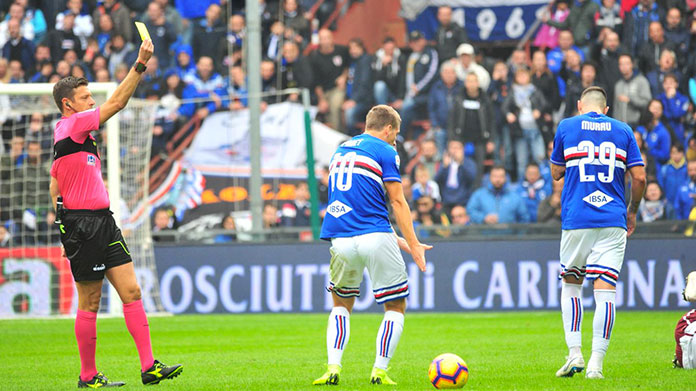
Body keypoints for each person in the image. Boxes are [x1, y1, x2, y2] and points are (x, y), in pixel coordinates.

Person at [49, 38, 182, 387]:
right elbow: (119, 102)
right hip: (83, 225)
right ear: (68, 105)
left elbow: (54, 182)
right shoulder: (73, 126)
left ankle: (149, 367)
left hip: (103, 222)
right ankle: (88, 375)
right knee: (90, 300)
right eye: (85, 98)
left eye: (91, 96)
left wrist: (58, 213)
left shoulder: (76, 137)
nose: (92, 101)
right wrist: (140, 65)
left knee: (132, 292)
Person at [314, 105, 431, 386]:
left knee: (341, 304)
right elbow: (397, 201)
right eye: (396, 134)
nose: (395, 139)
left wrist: (399, 241)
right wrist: (414, 244)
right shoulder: (385, 150)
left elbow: (360, 203)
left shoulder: (340, 150)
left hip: (340, 237)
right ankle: (379, 371)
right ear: (388, 129)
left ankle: (333, 367)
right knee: (395, 305)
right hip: (374, 235)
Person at [550, 86, 646, 379]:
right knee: (605, 291)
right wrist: (632, 209)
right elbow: (640, 177)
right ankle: (596, 366)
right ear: (605, 110)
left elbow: (556, 172)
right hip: (612, 218)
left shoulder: (567, 126)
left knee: (572, 283)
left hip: (578, 217)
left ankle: (574, 353)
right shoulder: (623, 130)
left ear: (580, 106)